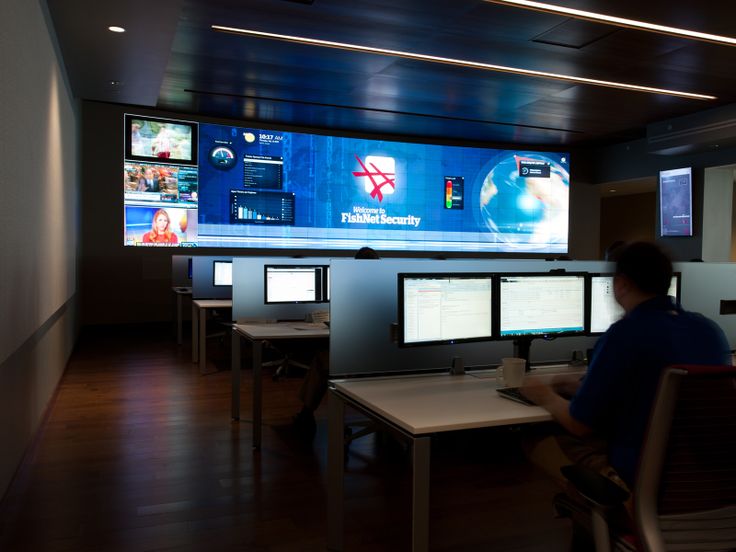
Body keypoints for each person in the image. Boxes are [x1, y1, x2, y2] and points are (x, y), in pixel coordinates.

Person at [520, 241, 730, 495]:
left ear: (621, 284)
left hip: (647, 476)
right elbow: (652, 390)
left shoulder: (625, 334)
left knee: (537, 439)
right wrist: (581, 387)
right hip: (706, 479)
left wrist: (544, 395)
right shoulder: (710, 330)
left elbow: (579, 424)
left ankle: (616, 499)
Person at [292, 246, 380, 439]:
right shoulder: (386, 286)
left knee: (322, 359)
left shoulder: (356, 290)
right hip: (390, 361)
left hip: (366, 364)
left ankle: (306, 415)